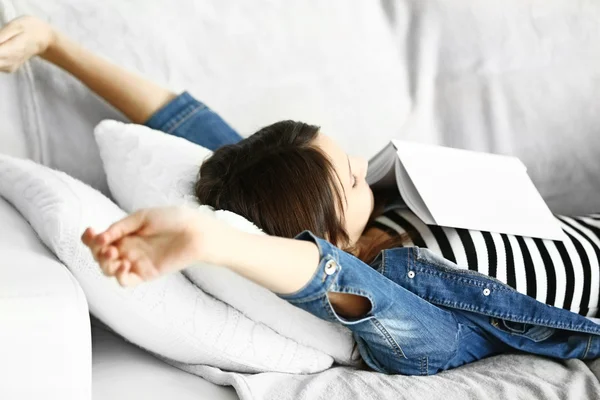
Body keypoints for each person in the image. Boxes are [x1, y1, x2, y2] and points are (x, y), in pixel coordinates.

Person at [2, 15, 600, 376]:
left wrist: (55, 44)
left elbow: (190, 127)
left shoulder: (376, 210)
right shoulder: (411, 314)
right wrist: (212, 240)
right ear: (327, 231)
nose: (365, 167)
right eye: (354, 180)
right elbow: (338, 281)